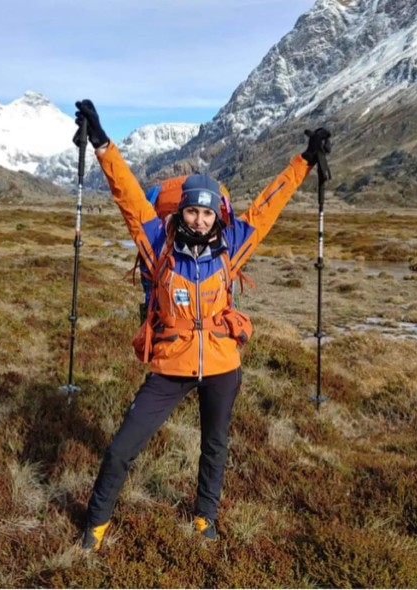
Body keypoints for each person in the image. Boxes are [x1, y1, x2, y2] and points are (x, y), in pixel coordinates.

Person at [73, 99, 331, 550]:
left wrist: (304, 161)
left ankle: (204, 518)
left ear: (218, 217)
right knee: (119, 450)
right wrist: (101, 143)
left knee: (214, 447)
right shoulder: (158, 243)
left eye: (208, 213)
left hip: (222, 366)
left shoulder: (232, 246)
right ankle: (95, 526)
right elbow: (128, 197)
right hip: (169, 365)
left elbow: (270, 204)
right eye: (193, 211)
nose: (199, 219)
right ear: (182, 212)